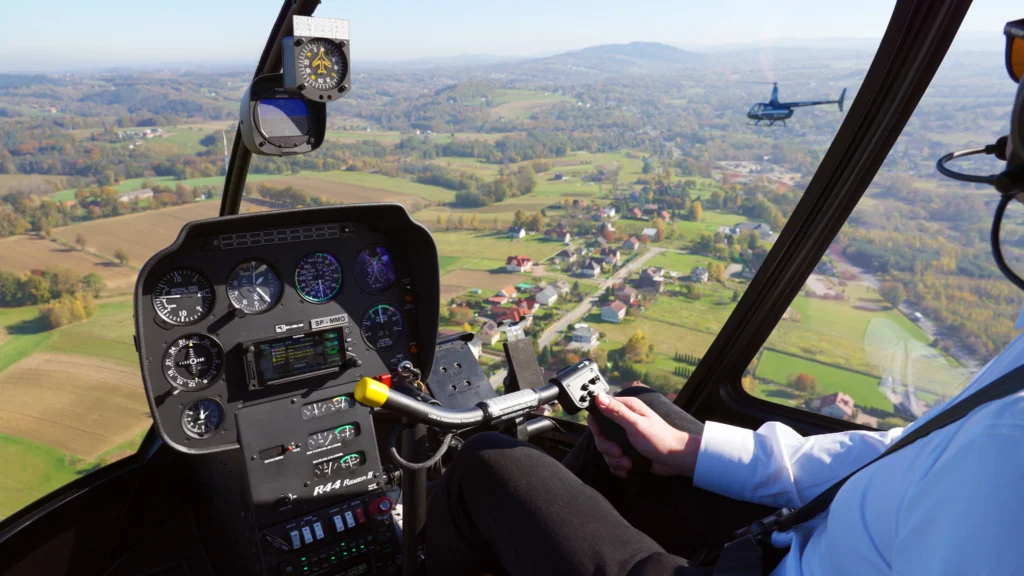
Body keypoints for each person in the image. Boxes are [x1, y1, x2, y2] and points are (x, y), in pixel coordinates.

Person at [425, 340, 1024, 575]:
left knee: (490, 466)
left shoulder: (1008, 444)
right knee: (634, 411)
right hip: (795, 548)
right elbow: (899, 461)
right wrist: (697, 451)